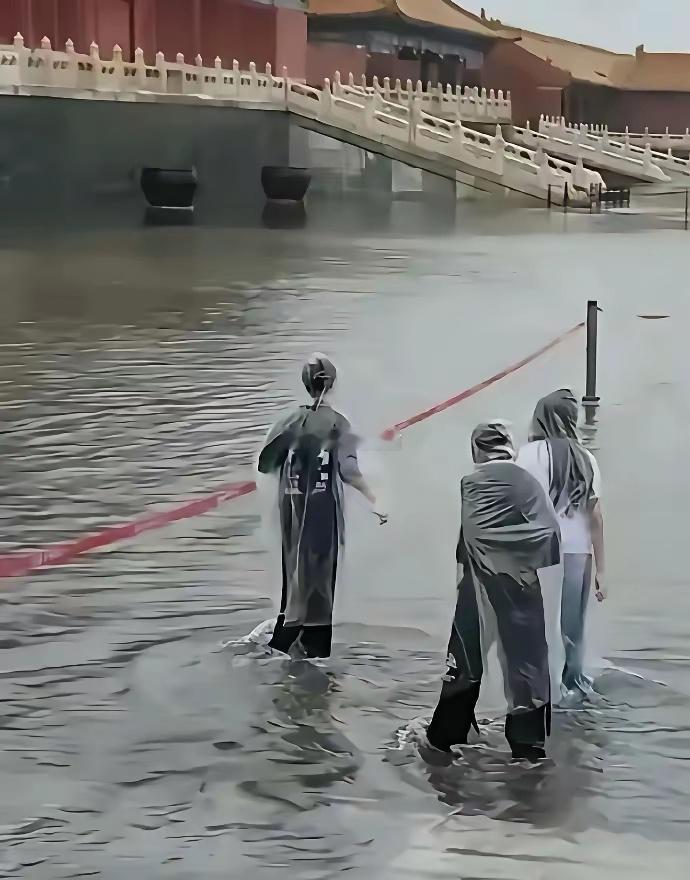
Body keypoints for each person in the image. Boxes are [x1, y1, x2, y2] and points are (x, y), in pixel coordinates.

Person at [426, 422, 561, 762]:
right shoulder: (526, 481)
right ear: (509, 446)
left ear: (476, 449)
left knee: (465, 657)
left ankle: (447, 739)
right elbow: (549, 533)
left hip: (477, 585)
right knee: (526, 662)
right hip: (520, 585)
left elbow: (469, 538)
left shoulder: (470, 484)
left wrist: (475, 566)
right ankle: (528, 749)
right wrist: (518, 559)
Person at [257, 354, 384, 659]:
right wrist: (376, 500)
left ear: (305, 384)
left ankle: (285, 636)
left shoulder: (288, 421)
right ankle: (310, 645)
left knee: (294, 569)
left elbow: (266, 463)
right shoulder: (339, 423)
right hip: (323, 512)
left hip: (292, 510)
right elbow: (349, 471)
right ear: (333, 383)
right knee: (321, 575)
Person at [516, 388, 605, 699]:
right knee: (572, 628)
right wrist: (602, 570)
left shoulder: (528, 455)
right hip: (579, 552)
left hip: (539, 551)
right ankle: (574, 687)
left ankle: (541, 690)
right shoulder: (586, 458)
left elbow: (517, 506)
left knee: (538, 625)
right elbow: (595, 516)